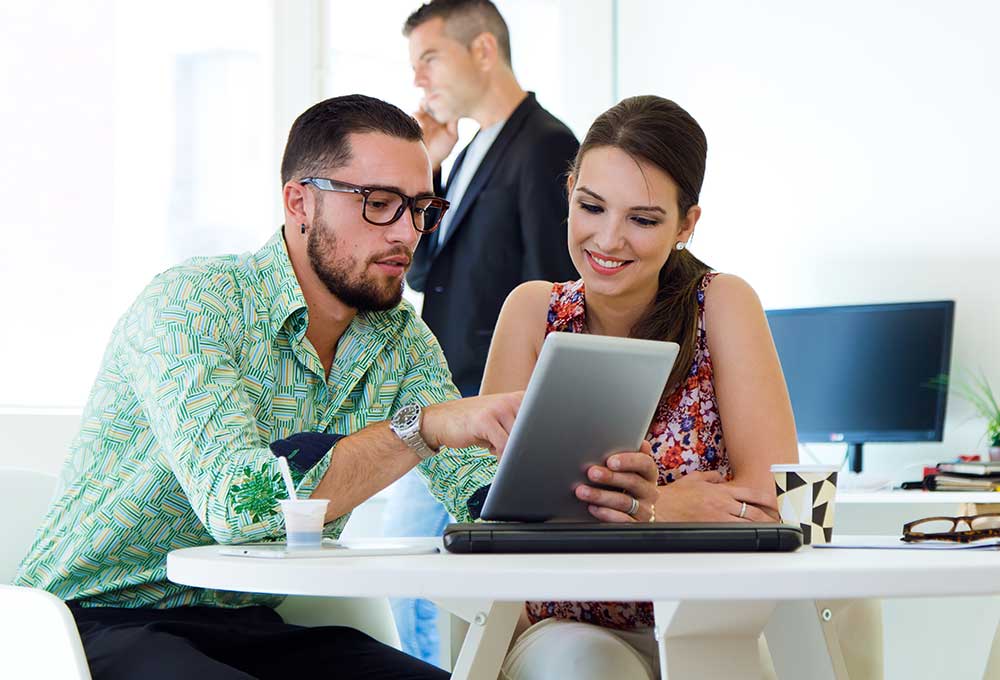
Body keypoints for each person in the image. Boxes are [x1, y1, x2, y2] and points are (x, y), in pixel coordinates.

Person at [13, 93, 657, 680]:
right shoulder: (193, 305)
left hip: (253, 621)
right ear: (300, 202)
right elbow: (241, 507)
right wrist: (423, 428)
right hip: (92, 622)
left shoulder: (399, 337)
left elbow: (476, 495)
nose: (406, 233)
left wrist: (584, 487)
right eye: (378, 204)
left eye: (421, 210)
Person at [479, 95, 799, 680]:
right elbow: (492, 511)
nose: (608, 239)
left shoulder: (722, 304)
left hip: (707, 621)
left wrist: (636, 510)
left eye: (643, 219)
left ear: (687, 224)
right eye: (591, 206)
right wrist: (663, 508)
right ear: (569, 192)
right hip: (566, 628)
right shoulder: (532, 311)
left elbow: (774, 500)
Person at [384, 0, 580, 664]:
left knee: (426, 580)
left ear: (484, 51)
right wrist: (432, 167)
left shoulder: (545, 144)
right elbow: (423, 272)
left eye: (429, 59)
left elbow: (556, 286)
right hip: (444, 399)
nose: (419, 80)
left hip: (490, 403)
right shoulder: (467, 151)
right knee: (418, 578)